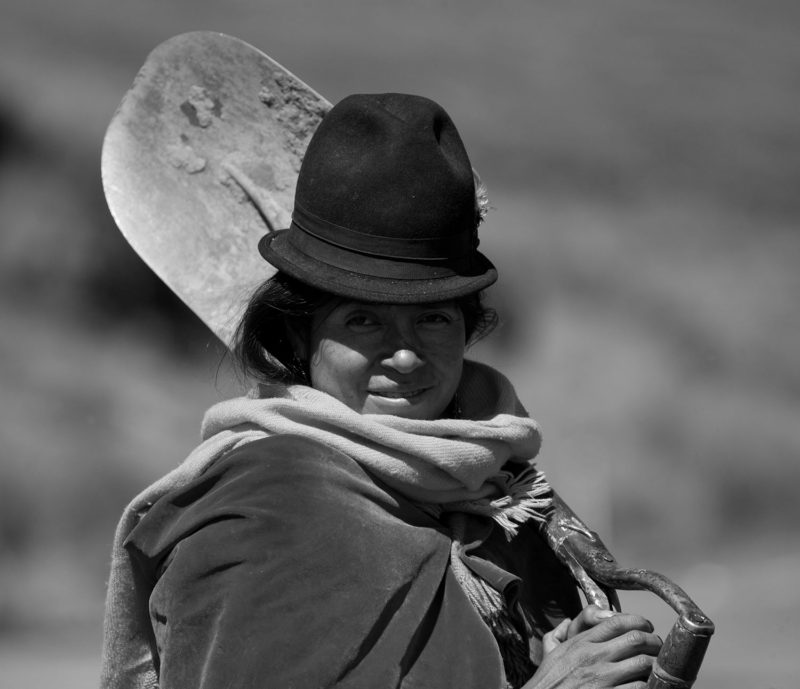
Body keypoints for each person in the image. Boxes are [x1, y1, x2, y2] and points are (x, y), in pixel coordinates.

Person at [100, 93, 661, 689]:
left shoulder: (488, 494)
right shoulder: (266, 513)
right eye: (362, 321)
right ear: (300, 330)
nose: (404, 355)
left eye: (434, 318)